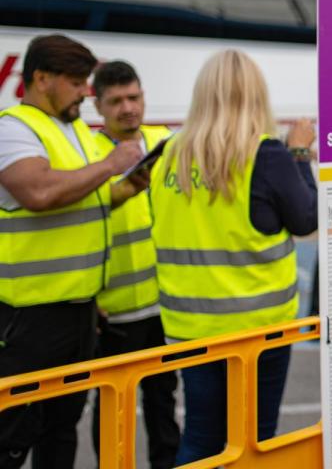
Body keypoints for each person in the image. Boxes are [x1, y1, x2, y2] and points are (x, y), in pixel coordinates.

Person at [149, 50, 317, 464]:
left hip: (191, 326)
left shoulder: (168, 153)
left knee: (201, 435)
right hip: (257, 330)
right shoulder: (267, 154)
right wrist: (300, 154)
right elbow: (306, 219)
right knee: (254, 441)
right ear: (256, 95)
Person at [0, 35, 148, 468]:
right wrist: (108, 166)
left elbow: (82, 202)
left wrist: (121, 191)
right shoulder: (13, 127)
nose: (87, 90)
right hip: (29, 318)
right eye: (77, 81)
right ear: (41, 79)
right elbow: (39, 192)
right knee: (12, 436)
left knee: (61, 431)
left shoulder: (73, 127)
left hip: (79, 311)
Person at [89, 61, 179, 468]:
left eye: (134, 97)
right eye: (117, 101)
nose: (128, 107)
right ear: (98, 106)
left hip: (164, 309)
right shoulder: (88, 156)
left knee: (164, 406)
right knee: (112, 409)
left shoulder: (167, 143)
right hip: (113, 313)